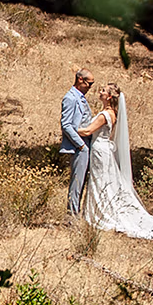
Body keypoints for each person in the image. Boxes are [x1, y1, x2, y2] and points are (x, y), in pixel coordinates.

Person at [76, 84, 153, 239]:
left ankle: (102, 215)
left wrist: (70, 128)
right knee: (103, 182)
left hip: (100, 150)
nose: (99, 92)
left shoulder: (105, 115)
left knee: (101, 181)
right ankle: (100, 212)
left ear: (109, 97)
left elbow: (88, 131)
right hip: (103, 149)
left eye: (103, 90)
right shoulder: (111, 113)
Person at [58, 68, 95, 216]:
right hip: (79, 146)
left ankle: (77, 211)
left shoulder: (80, 97)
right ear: (80, 80)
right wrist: (80, 145)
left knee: (82, 181)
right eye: (89, 83)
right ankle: (72, 215)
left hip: (85, 143)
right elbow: (66, 124)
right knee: (77, 182)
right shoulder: (70, 98)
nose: (90, 87)